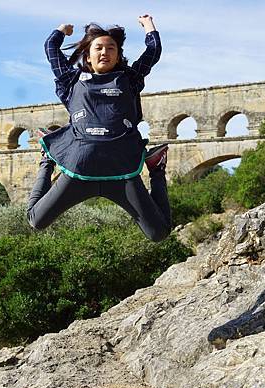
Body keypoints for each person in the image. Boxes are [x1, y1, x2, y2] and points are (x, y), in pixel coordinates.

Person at [27, 15, 171, 242]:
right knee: (36, 219)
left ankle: (156, 168)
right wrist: (61, 30)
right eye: (99, 48)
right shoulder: (71, 81)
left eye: (111, 48)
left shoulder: (129, 79)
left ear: (118, 54)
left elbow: (153, 52)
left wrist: (149, 26)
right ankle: (48, 159)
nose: (105, 52)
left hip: (122, 171)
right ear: (88, 54)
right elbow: (51, 48)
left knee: (159, 233)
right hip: (79, 169)